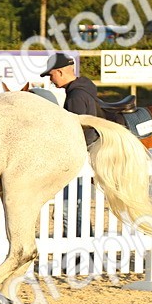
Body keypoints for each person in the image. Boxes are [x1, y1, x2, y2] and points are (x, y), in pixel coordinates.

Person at [40, 53, 103, 243]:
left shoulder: (76, 96)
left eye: (51, 75)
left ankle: (75, 252)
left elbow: (75, 133)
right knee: (78, 208)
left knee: (68, 209)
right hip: (85, 155)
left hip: (76, 158)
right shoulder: (84, 90)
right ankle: (86, 250)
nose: (51, 81)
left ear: (60, 72)